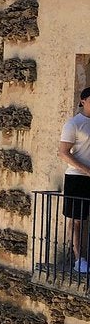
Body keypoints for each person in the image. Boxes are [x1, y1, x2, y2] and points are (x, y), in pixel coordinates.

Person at [60, 87, 90, 273]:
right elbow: (63, 153)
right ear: (83, 101)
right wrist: (87, 170)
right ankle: (79, 258)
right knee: (76, 220)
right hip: (77, 178)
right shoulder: (74, 124)